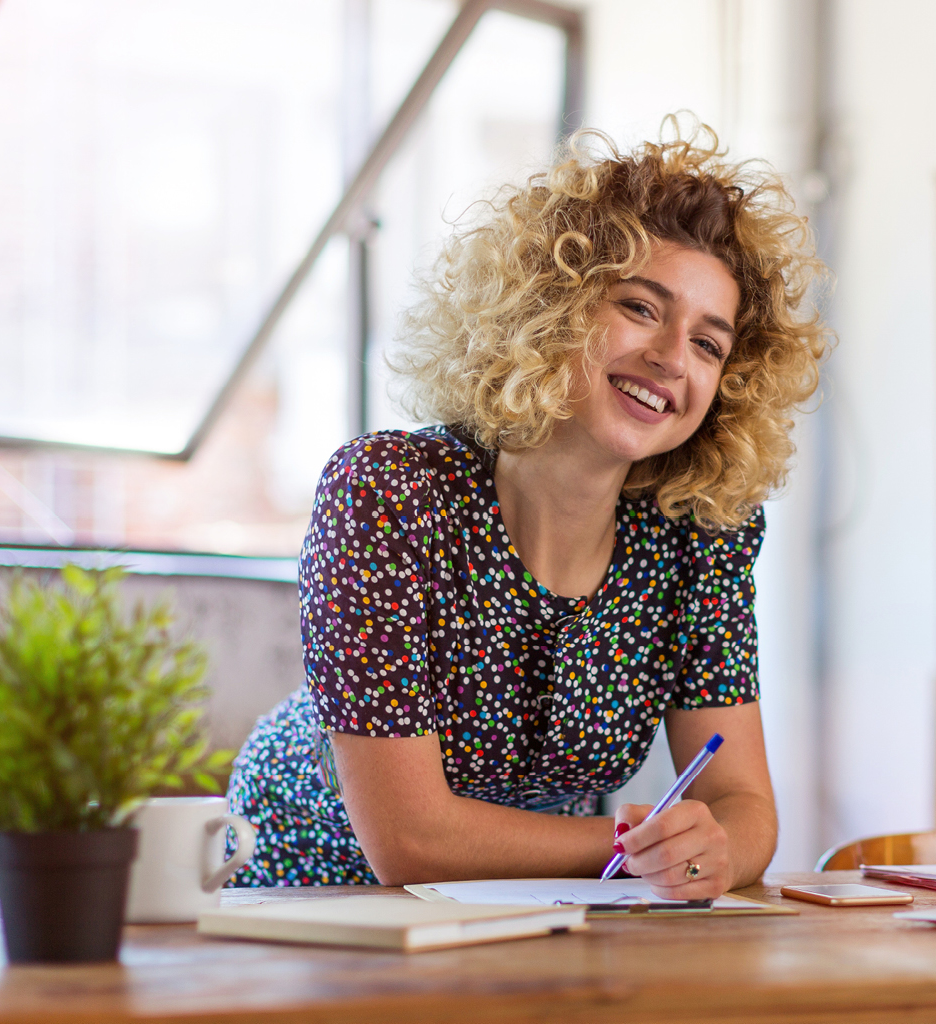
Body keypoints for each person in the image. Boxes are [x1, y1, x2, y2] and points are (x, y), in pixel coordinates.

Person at [226, 125, 829, 899]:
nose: (674, 357)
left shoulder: (700, 535)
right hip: (311, 905)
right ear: (554, 307)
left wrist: (712, 849)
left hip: (530, 906)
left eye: (710, 346)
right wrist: (633, 846)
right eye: (642, 307)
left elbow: (744, 805)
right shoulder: (388, 494)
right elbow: (410, 842)